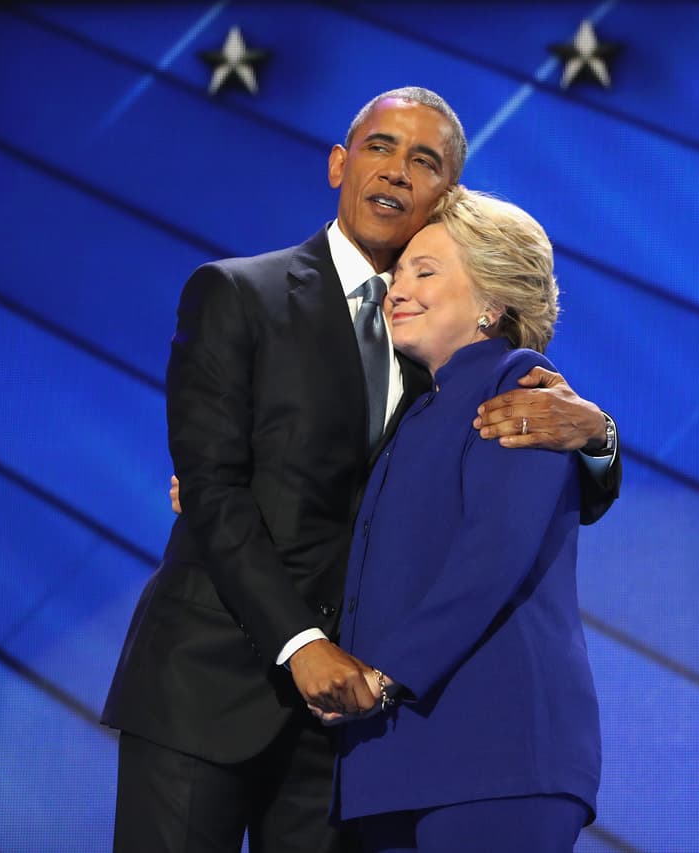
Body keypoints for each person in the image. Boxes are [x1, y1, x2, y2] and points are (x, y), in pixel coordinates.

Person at [102, 87, 620, 853]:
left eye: (425, 160)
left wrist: (601, 435)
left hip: (353, 728)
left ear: (450, 196)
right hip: (210, 681)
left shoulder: (452, 347)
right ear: (339, 164)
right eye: (380, 146)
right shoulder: (239, 295)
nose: (398, 170)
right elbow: (214, 487)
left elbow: (522, 490)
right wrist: (299, 641)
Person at [313, 187, 601, 852]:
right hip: (393, 758)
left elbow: (494, 551)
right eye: (398, 273)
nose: (397, 288)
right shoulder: (419, 410)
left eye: (425, 271)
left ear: (491, 302)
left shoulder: (518, 383)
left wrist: (383, 676)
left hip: (494, 750)